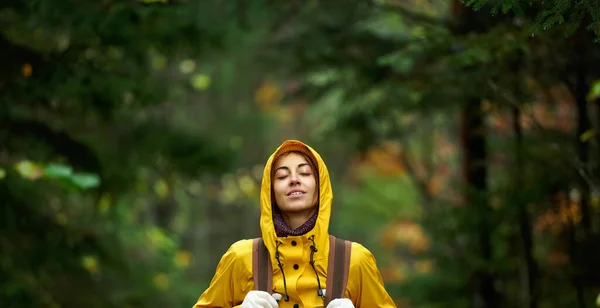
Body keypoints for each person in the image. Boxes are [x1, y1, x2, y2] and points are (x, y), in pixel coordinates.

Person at [192, 140, 397, 308]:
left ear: (321, 188)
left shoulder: (355, 260)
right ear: (270, 193)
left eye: (305, 173)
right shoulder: (240, 257)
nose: (294, 180)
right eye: (282, 176)